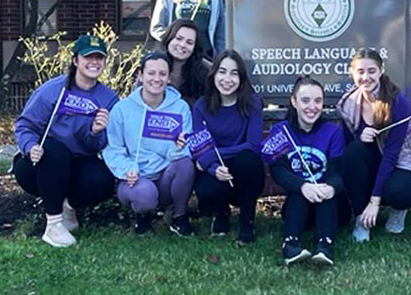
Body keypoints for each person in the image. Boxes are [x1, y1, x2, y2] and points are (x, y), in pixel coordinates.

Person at [13, 35, 119, 247]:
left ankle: (67, 208)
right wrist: (30, 146)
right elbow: (25, 125)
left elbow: (97, 146)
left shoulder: (109, 99)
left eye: (100, 58)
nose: (94, 62)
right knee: (56, 151)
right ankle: (53, 224)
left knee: (105, 181)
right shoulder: (53, 90)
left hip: (79, 162)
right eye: (88, 57)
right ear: (75, 60)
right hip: (42, 163)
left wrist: (96, 132)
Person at [337, 48, 411, 242]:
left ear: (381, 70)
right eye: (360, 72)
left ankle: (397, 210)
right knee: (353, 152)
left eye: (371, 71)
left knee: (400, 191)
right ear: (352, 73)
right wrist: (359, 137)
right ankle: (360, 219)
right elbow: (349, 155)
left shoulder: (397, 102)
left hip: (401, 163)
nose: (366, 77)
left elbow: (391, 155)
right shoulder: (347, 103)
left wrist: (375, 201)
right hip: (371, 164)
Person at [103, 52, 195, 236]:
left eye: (162, 74)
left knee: (185, 164)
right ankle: (142, 218)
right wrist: (127, 168)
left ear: (169, 78)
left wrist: (177, 147)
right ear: (141, 75)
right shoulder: (122, 109)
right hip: (135, 179)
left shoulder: (180, 108)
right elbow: (113, 148)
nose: (156, 79)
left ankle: (179, 217)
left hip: (165, 178)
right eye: (151, 73)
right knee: (145, 194)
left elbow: (188, 150)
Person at [268, 76, 345, 266]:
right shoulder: (281, 131)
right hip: (298, 205)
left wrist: (331, 188)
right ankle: (290, 244)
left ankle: (325, 245)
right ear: (294, 101)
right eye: (305, 100)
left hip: (332, 206)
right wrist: (303, 186)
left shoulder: (332, 132)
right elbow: (278, 170)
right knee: (300, 190)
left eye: (318, 101)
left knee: (324, 192)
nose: (312, 106)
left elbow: (338, 171)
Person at [192, 50, 264, 244]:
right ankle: (221, 214)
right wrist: (214, 168)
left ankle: (247, 222)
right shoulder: (201, 106)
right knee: (206, 188)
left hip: (244, 171)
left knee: (248, 159)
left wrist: (211, 157)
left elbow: (253, 145)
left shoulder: (253, 103)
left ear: (241, 78)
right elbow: (199, 148)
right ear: (214, 74)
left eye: (234, 73)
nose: (227, 79)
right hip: (217, 170)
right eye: (222, 72)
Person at [160, 19, 208, 107]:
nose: (182, 45)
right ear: (169, 38)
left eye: (189, 42)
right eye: (178, 39)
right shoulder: (152, 65)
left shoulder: (205, 71)